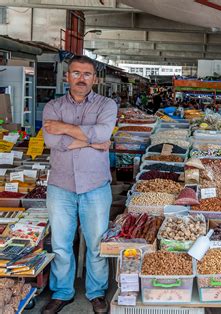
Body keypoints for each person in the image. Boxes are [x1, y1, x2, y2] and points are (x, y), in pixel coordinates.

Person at [42, 56, 117, 314]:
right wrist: (90, 140)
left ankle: (96, 293)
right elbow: (53, 141)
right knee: (61, 243)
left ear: (94, 79)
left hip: (95, 185)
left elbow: (103, 135)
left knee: (97, 244)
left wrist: (66, 129)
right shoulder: (52, 106)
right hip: (61, 186)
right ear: (67, 76)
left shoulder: (107, 105)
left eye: (87, 74)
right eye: (76, 73)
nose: (81, 79)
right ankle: (62, 292)